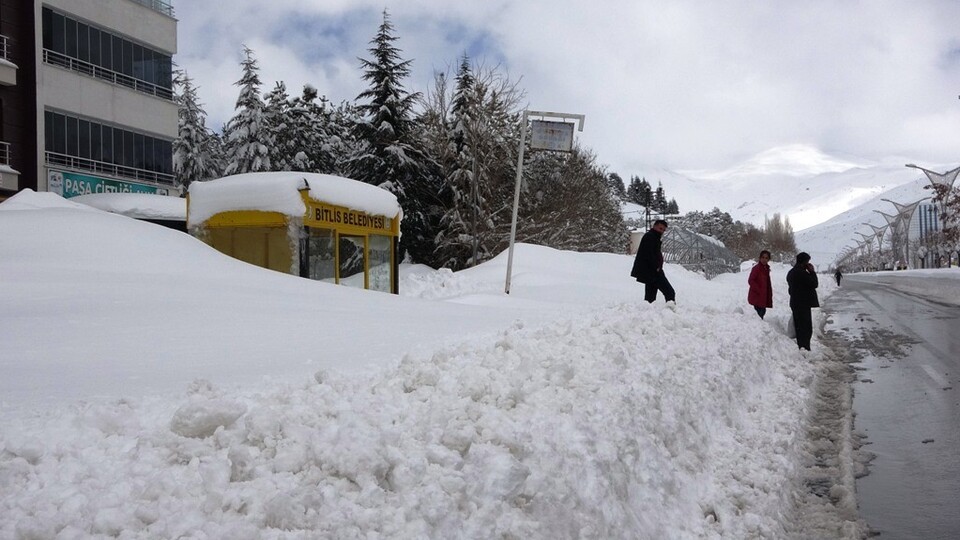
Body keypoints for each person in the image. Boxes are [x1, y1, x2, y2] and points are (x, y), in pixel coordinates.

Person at [630, 219, 676, 305]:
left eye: (663, 230)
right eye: (660, 228)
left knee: (650, 297)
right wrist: (657, 267)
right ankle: (671, 311)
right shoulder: (650, 237)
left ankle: (648, 314)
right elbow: (648, 254)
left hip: (651, 271)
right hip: (653, 271)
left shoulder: (653, 237)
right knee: (669, 292)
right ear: (654, 226)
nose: (661, 231)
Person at [786, 252, 819, 351]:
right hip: (803, 304)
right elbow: (814, 284)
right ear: (804, 262)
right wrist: (812, 272)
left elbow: (790, 289)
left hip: (795, 302)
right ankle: (805, 347)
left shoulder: (791, 272)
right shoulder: (802, 273)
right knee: (805, 328)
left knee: (799, 327)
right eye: (807, 261)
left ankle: (802, 346)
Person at [747, 250, 773, 319]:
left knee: (762, 312)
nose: (764, 260)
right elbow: (751, 280)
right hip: (757, 296)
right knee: (759, 314)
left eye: (766, 258)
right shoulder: (756, 268)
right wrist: (759, 290)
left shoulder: (766, 269)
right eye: (763, 257)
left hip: (763, 296)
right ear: (760, 258)